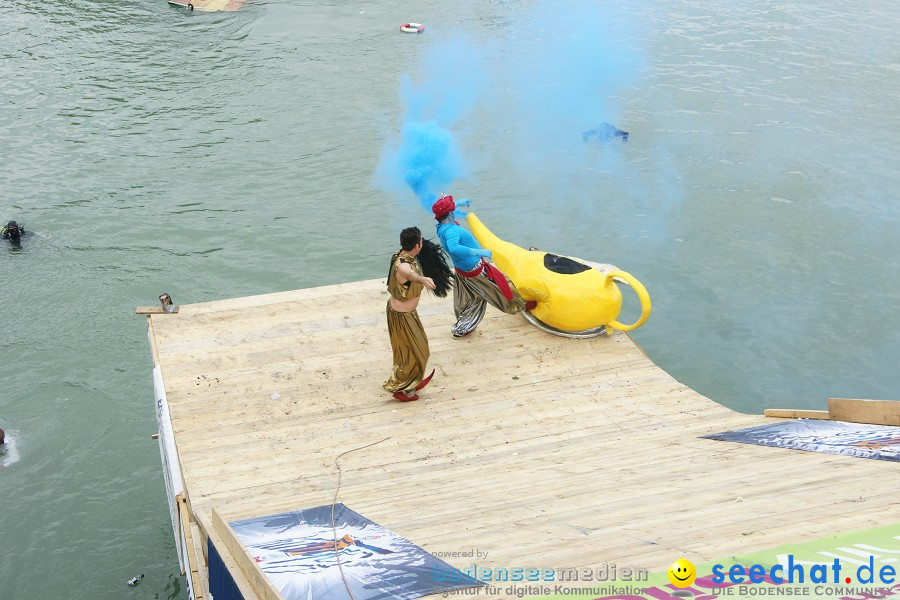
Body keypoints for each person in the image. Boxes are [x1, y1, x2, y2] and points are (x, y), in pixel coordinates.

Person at [432, 195, 534, 337]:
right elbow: (454, 248)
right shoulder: (451, 231)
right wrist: (479, 252)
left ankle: (465, 324)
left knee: (474, 297)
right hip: (475, 270)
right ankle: (520, 305)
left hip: (463, 270)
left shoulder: (442, 227)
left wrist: (460, 203)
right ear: (450, 213)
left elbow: (447, 215)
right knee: (502, 286)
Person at [383, 227, 442, 402]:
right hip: (402, 317)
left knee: (413, 351)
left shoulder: (402, 254)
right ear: (417, 245)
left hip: (406, 314)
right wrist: (423, 279)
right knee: (414, 352)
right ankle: (404, 389)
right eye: (421, 241)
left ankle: (409, 382)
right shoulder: (403, 266)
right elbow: (408, 273)